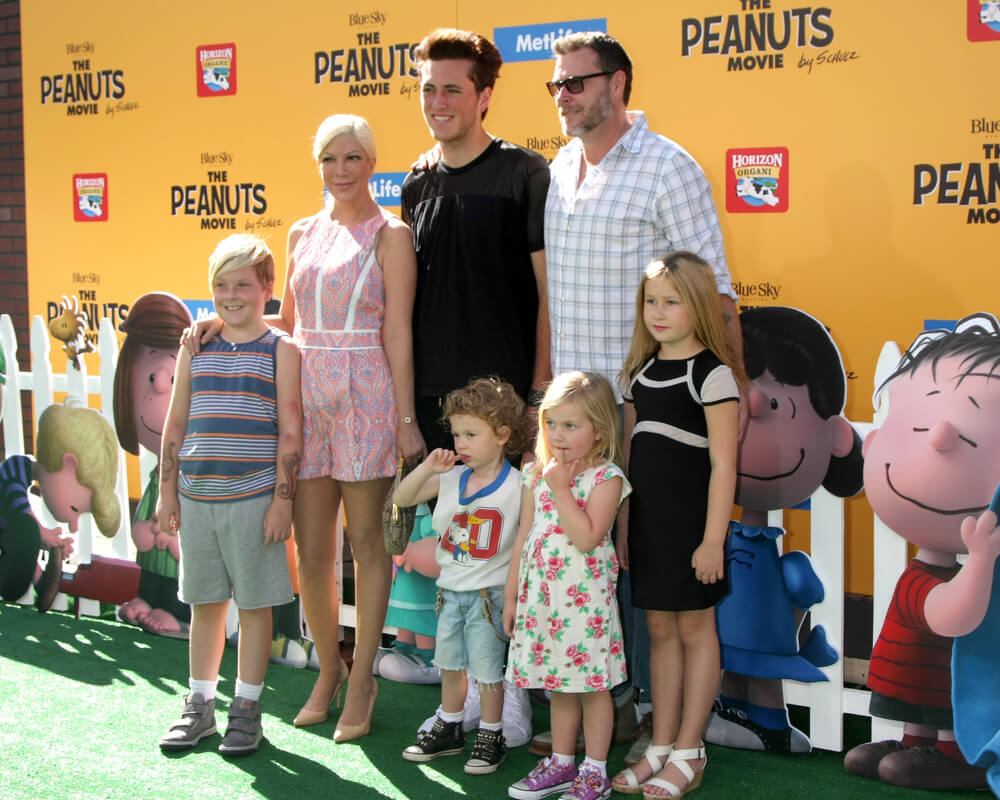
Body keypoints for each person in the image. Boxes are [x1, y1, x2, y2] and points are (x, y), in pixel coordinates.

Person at [540, 32, 744, 758]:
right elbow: (553, 297)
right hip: (576, 418)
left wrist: (728, 401)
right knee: (591, 564)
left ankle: (666, 725)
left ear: (617, 83)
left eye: (576, 83)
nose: (563, 96)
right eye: (556, 85)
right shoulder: (559, 168)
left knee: (646, 574)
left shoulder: (668, 167)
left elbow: (714, 292)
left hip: (645, 410)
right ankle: (610, 712)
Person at [189, 114, 424, 742]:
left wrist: (405, 420)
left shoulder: (392, 235)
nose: (340, 170)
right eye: (329, 159)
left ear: (371, 162)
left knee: (367, 546)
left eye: (352, 157)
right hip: (304, 401)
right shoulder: (300, 232)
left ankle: (364, 677)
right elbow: (286, 327)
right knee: (313, 551)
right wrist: (221, 323)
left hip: (367, 396)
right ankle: (330, 667)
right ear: (317, 164)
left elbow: (398, 331)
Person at [156, 234, 301, 755]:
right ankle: (199, 707)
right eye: (221, 285)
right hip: (196, 498)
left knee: (255, 607)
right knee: (205, 604)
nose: (231, 295)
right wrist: (167, 493)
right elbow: (175, 422)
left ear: (267, 288)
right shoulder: (194, 346)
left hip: (255, 499)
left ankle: (247, 709)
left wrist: (282, 500)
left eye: (243, 284)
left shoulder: (282, 349)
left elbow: (290, 429)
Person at [843, 312, 1000, 790]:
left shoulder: (930, 580)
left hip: (953, 683)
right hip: (921, 678)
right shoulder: (922, 577)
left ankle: (957, 754)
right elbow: (950, 616)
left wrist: (980, 561)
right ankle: (915, 742)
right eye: (917, 424)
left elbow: (956, 619)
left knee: (950, 697)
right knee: (926, 704)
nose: (939, 437)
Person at [612, 253, 743, 799]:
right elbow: (628, 460)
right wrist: (624, 526)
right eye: (651, 302)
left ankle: (690, 748)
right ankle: (660, 744)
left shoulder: (712, 375)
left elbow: (724, 466)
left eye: (672, 302)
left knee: (695, 629)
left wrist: (713, 540)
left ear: (700, 306)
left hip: (693, 531)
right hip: (648, 527)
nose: (659, 312)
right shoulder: (638, 374)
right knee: (659, 632)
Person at [707, 307, 862, 754]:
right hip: (726, 618)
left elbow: (801, 589)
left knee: (763, 666)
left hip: (766, 624)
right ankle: (731, 709)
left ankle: (771, 724)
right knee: (730, 658)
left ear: (837, 437)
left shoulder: (776, 561)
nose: (753, 408)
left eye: (777, 405)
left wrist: (797, 601)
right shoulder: (719, 536)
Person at [401, 28, 551, 452]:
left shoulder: (525, 173)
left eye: (452, 90)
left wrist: (538, 394)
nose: (438, 102)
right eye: (429, 90)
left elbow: (549, 293)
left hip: (504, 403)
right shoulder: (415, 185)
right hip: (431, 405)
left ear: (484, 97)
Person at [506, 371, 631, 800]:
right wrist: (512, 597)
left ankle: (594, 771)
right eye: (551, 423)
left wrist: (561, 489)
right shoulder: (535, 473)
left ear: (599, 431)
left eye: (571, 425)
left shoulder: (606, 478)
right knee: (558, 685)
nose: (557, 435)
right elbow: (523, 537)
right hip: (543, 603)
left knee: (592, 689)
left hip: (585, 608)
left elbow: (587, 537)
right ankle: (562, 763)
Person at [394, 377, 529, 775]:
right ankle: (450, 725)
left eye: (471, 434)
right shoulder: (451, 478)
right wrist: (426, 468)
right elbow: (402, 498)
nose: (461, 443)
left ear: (502, 435)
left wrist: (513, 597)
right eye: (457, 434)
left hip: (488, 598)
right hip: (450, 594)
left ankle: (491, 734)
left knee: (487, 672)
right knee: (451, 665)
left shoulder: (519, 486)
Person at [113, 292, 193, 637]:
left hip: (182, 568)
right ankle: (148, 599)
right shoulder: (154, 478)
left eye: (171, 380)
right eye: (149, 379)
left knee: (181, 581)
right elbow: (142, 523)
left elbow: (202, 534)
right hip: (153, 566)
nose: (159, 387)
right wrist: (146, 532)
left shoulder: (193, 481)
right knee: (152, 577)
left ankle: (181, 615)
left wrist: (175, 543)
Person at [0, 403, 120, 608]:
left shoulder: (22, 472)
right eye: (75, 509)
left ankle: (44, 585)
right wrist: (43, 535)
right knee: (28, 530)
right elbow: (19, 508)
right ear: (68, 464)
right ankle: (27, 583)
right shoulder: (12, 470)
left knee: (27, 536)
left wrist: (46, 541)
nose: (73, 526)